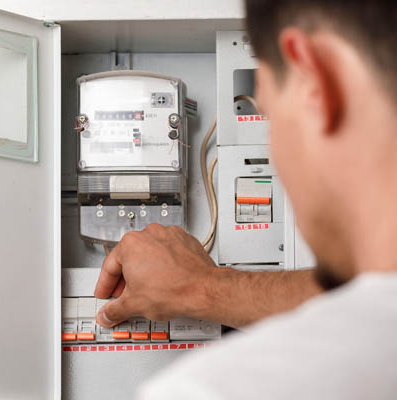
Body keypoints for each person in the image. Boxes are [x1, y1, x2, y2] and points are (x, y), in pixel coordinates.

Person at [93, 0, 397, 398]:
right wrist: (203, 286)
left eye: (268, 111)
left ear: (316, 81)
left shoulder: (209, 390)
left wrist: (201, 287)